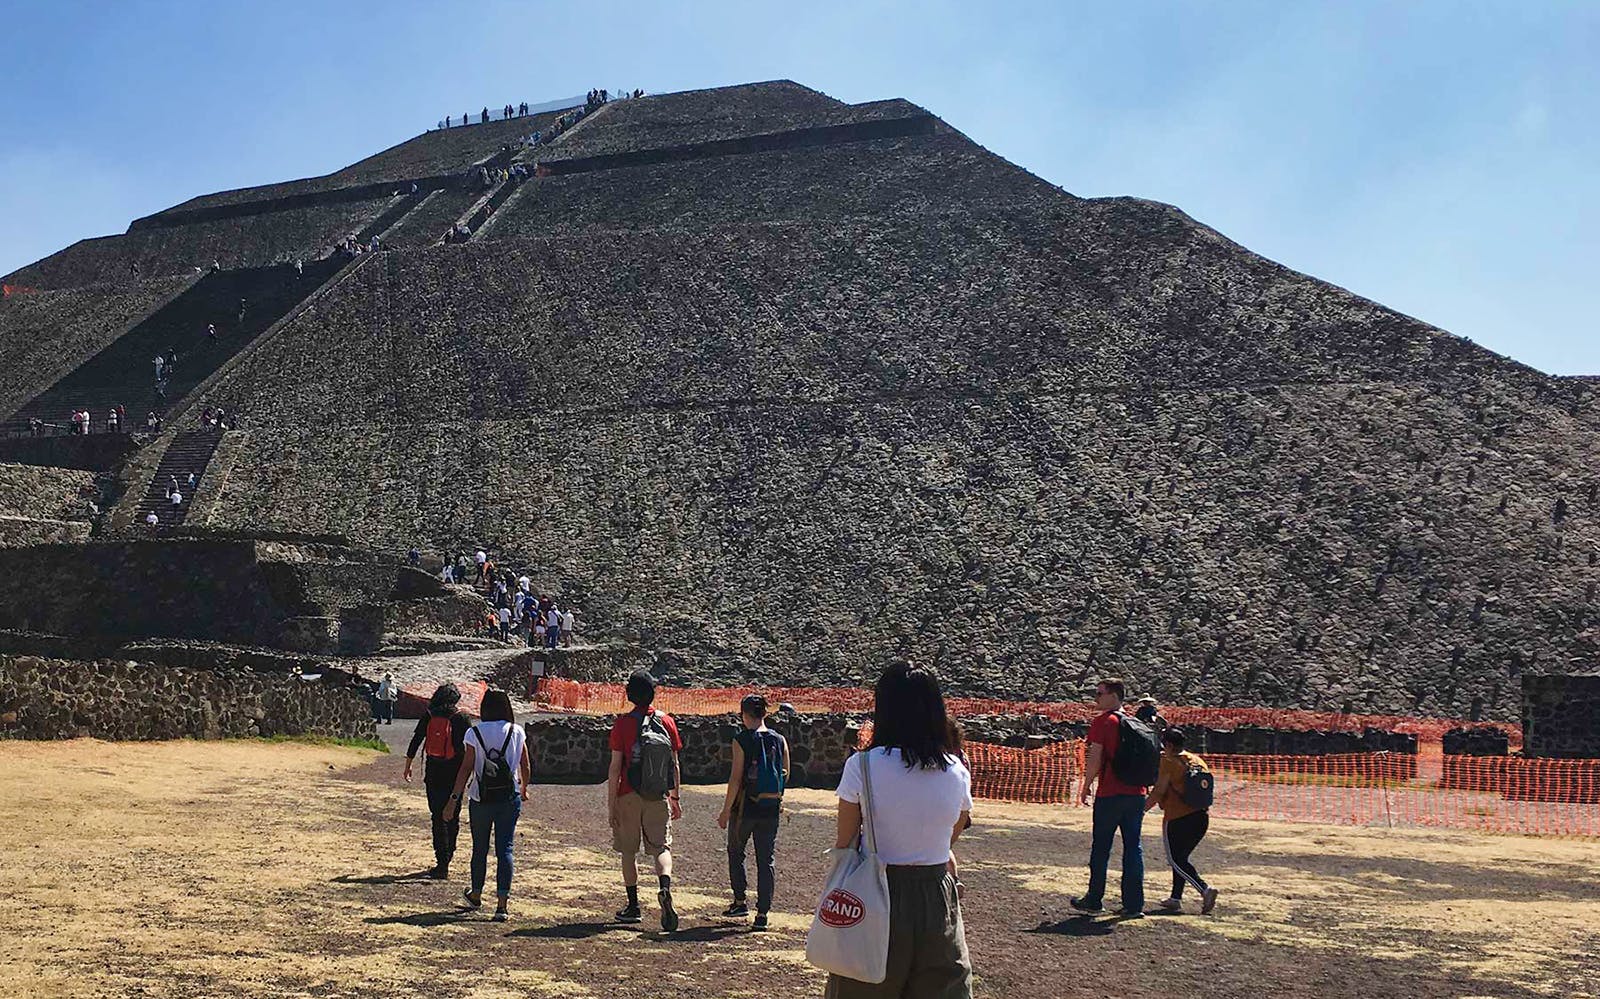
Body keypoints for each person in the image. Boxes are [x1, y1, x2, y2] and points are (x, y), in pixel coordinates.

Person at [827, 664, 973, 998]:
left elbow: (845, 843)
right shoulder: (955, 771)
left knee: (861, 985)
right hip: (937, 896)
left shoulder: (861, 766)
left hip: (875, 892)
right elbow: (955, 827)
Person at [443, 689, 530, 921]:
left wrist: (454, 799)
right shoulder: (517, 731)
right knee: (506, 849)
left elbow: (466, 768)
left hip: (481, 797)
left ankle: (477, 893)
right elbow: (526, 765)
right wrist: (524, 789)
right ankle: (502, 904)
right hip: (508, 797)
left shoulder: (474, 733)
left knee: (479, 848)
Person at [607, 671, 683, 931]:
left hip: (629, 794)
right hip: (658, 793)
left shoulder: (623, 724)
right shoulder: (667, 722)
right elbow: (674, 763)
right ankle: (664, 887)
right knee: (661, 847)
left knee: (628, 852)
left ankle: (633, 906)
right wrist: (675, 797)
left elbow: (615, 767)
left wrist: (611, 804)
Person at [1071, 678, 1149, 917]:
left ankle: (1094, 898)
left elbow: (1096, 756)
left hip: (1110, 793)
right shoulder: (1135, 722)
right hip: (1136, 793)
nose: (1096, 698)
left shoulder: (1104, 722)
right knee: (1133, 848)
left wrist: (1086, 785)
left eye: (1099, 694)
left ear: (1114, 695)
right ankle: (1134, 903)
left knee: (1101, 847)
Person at [717, 694, 789, 930]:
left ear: (744, 715)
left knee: (736, 851)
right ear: (765, 714)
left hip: (745, 809)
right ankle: (763, 913)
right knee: (766, 859)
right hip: (770, 809)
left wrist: (726, 810)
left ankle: (740, 901)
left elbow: (736, 778)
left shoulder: (742, 740)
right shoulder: (780, 740)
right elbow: (785, 773)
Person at [1145, 728, 1219, 914]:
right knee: (1181, 858)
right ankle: (1175, 898)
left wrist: (1141, 810)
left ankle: (1205, 889)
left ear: (1168, 745)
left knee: (1175, 860)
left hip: (1177, 817)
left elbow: (1159, 791)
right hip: (1201, 817)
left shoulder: (1168, 762)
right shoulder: (1196, 760)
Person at [404, 684, 471, 879]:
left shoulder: (429, 714)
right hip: (455, 772)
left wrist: (408, 765)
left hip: (434, 770)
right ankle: (449, 855)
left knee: (436, 815)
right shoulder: (461, 717)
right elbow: (471, 745)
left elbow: (416, 740)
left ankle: (441, 860)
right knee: (452, 814)